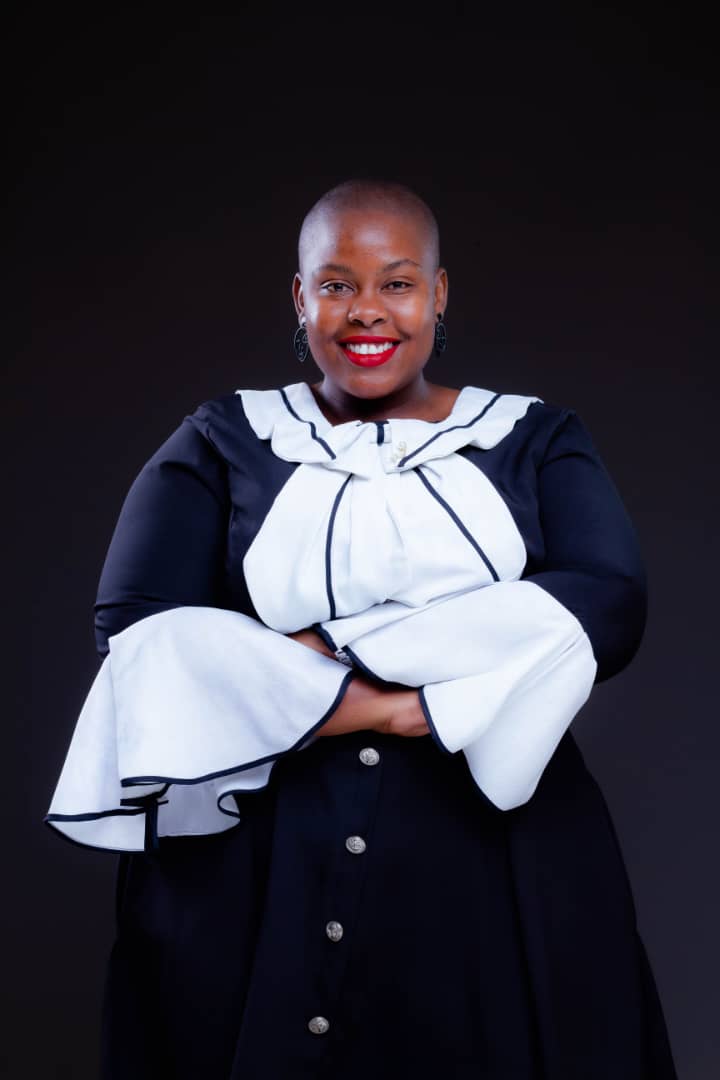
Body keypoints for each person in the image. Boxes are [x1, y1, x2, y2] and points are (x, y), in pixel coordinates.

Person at [46, 178, 678, 1079]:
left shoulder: (537, 440)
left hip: (496, 862)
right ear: (299, 297)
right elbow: (140, 633)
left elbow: (608, 605)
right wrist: (412, 701)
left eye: (398, 283)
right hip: (252, 868)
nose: (367, 311)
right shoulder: (222, 440)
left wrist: (299, 657)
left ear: (439, 294)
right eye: (337, 285)